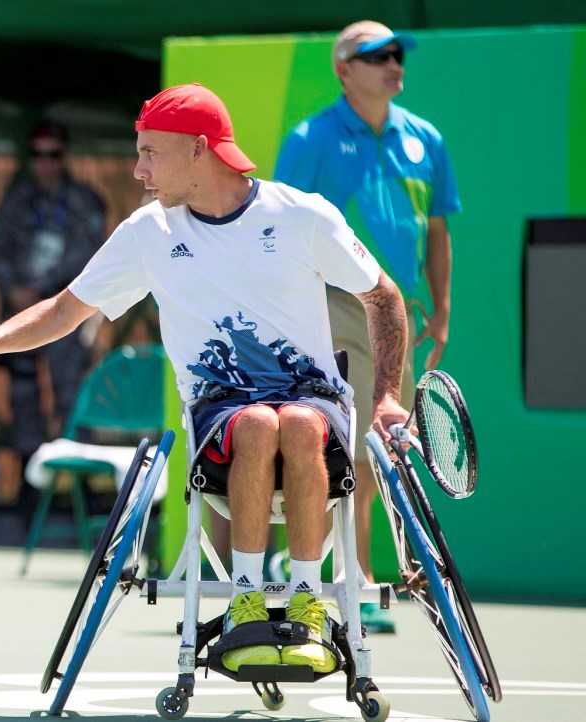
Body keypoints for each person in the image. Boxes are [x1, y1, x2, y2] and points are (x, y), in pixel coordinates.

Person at [0, 83, 408, 674]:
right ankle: (247, 605)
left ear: (200, 150)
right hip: (223, 411)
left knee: (295, 421)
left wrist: (389, 398)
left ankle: (307, 606)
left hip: (311, 404)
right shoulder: (148, 232)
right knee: (253, 424)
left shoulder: (302, 216)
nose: (138, 169)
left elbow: (383, 298)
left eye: (151, 153)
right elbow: (66, 311)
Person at [274, 20, 460, 634]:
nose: (392, 62)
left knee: (383, 447)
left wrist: (440, 307)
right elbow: (279, 235)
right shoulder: (309, 140)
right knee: (350, 446)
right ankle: (347, 578)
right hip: (329, 306)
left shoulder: (426, 139)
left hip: (396, 311)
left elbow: (436, 230)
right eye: (376, 55)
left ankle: (332, 567)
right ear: (344, 69)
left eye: (396, 53)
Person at [0, 120, 107, 517]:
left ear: (64, 156)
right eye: (37, 155)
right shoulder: (16, 200)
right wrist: (13, 289)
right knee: (24, 398)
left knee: (72, 395)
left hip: (67, 313)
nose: (45, 163)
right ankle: (28, 491)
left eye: (52, 154)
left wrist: (44, 288)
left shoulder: (85, 200)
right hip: (21, 313)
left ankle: (83, 492)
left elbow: (88, 256)